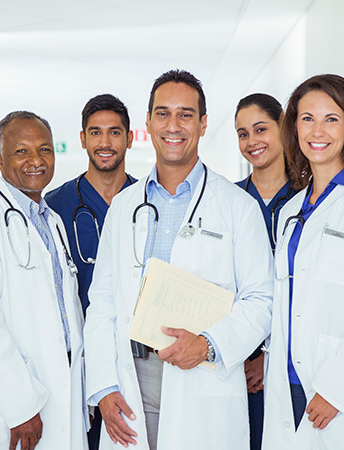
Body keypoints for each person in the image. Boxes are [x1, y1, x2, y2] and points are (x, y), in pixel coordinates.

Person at [84, 69, 274, 450]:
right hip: (131, 377)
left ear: (203, 124)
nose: (174, 125)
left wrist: (207, 345)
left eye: (186, 114)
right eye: (163, 113)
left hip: (202, 375)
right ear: (148, 124)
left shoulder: (238, 207)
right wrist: (104, 385)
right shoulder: (124, 206)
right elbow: (102, 300)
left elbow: (262, 300)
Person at [262, 74, 344, 450]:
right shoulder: (293, 209)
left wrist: (337, 388)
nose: (317, 130)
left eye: (331, 118)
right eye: (307, 118)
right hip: (287, 384)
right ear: (294, 125)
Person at [0, 111, 89, 450]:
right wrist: (20, 407)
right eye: (21, 151)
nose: (35, 161)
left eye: (45, 149)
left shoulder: (51, 220)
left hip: (61, 389)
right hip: (15, 408)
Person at [46, 94, 136, 450]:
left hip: (133, 356)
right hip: (74, 356)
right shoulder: (55, 205)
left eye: (115, 132)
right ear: (82, 139)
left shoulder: (147, 200)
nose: (105, 143)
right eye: (95, 133)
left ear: (130, 137)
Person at [234, 93, 297, 450]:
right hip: (236, 358)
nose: (251, 141)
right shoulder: (228, 200)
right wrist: (245, 350)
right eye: (243, 134)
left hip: (290, 355)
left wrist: (268, 354)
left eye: (260, 129)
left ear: (283, 127)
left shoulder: (307, 198)